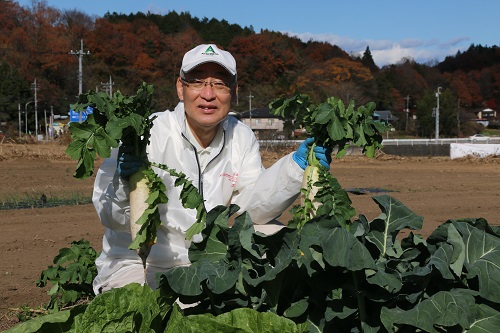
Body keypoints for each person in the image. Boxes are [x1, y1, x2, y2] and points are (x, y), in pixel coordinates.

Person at [92, 44, 331, 294]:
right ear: (180, 88)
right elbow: (112, 217)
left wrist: (294, 168)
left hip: (209, 260)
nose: (208, 94)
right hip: (142, 261)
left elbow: (251, 210)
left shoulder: (241, 136)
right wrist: (122, 180)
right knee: (133, 308)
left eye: (219, 84)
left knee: (273, 235)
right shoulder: (146, 134)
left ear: (234, 92)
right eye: (197, 82)